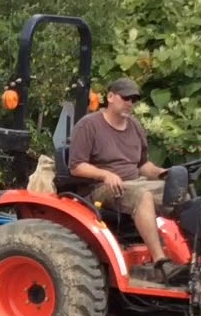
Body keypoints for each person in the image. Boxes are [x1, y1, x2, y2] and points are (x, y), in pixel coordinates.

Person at [67, 77, 183, 282]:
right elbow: (76, 166)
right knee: (142, 196)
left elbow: (143, 165)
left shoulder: (135, 127)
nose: (130, 103)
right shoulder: (89, 125)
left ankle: (189, 258)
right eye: (126, 97)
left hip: (134, 181)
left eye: (134, 99)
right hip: (100, 187)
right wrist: (105, 174)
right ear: (110, 97)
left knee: (179, 190)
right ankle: (161, 262)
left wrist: (164, 173)